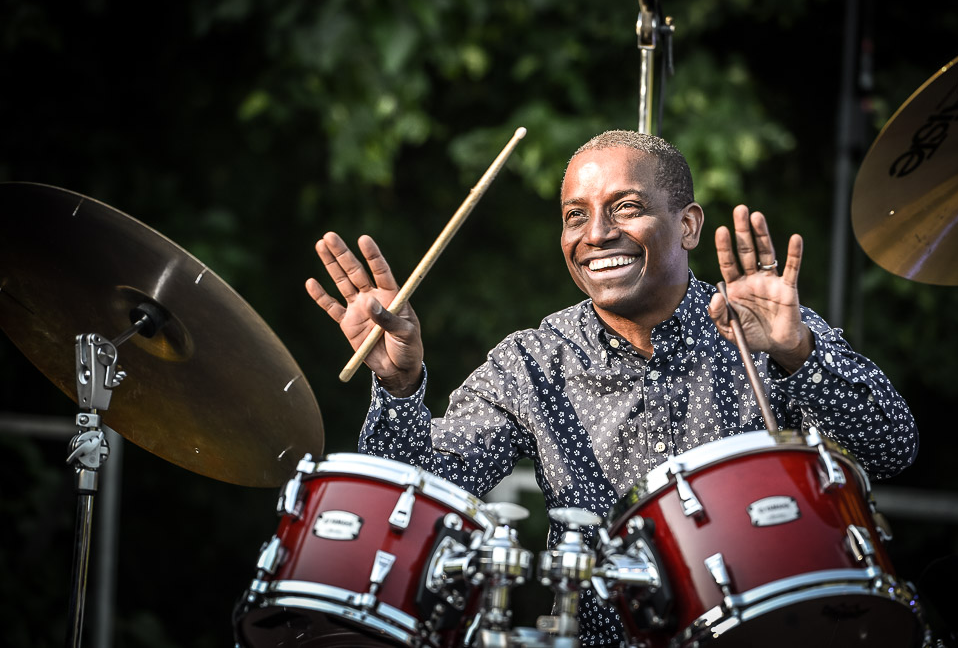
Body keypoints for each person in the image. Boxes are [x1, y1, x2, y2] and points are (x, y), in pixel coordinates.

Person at [305, 130, 918, 647]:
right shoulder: (532, 362)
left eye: (626, 207)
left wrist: (797, 354)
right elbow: (412, 505)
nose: (596, 233)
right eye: (576, 215)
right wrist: (399, 383)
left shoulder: (760, 322)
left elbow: (893, 448)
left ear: (688, 225)